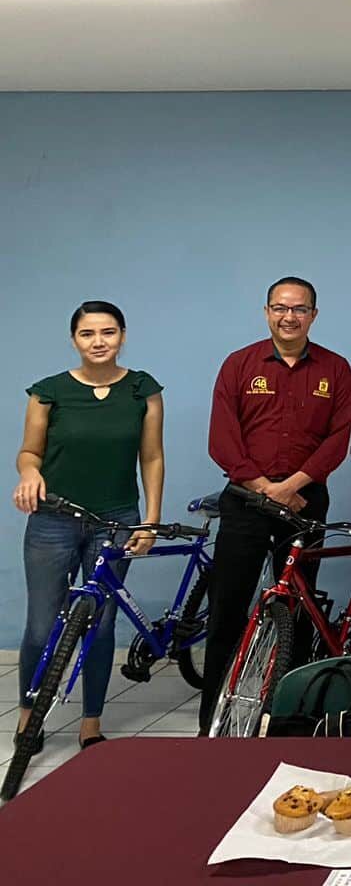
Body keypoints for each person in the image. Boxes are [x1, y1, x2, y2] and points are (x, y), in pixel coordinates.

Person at [198, 276, 351, 733]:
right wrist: (264, 486)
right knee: (228, 606)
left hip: (305, 501)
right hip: (247, 500)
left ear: (313, 315)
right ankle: (214, 713)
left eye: (299, 309)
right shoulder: (239, 364)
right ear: (267, 312)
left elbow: (338, 438)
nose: (289, 316)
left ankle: (290, 711)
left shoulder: (336, 369)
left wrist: (294, 485)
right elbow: (222, 438)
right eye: (280, 308)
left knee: (300, 605)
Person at [12, 301, 163, 750]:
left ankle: (91, 723)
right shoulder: (48, 392)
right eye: (88, 334)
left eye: (109, 332)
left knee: (100, 624)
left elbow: (151, 457)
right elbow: (29, 453)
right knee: (42, 626)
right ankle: (28, 717)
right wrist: (28, 474)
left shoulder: (143, 390)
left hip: (115, 522)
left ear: (122, 336)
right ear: (74, 339)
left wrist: (151, 520)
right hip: (52, 520)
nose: (99, 342)